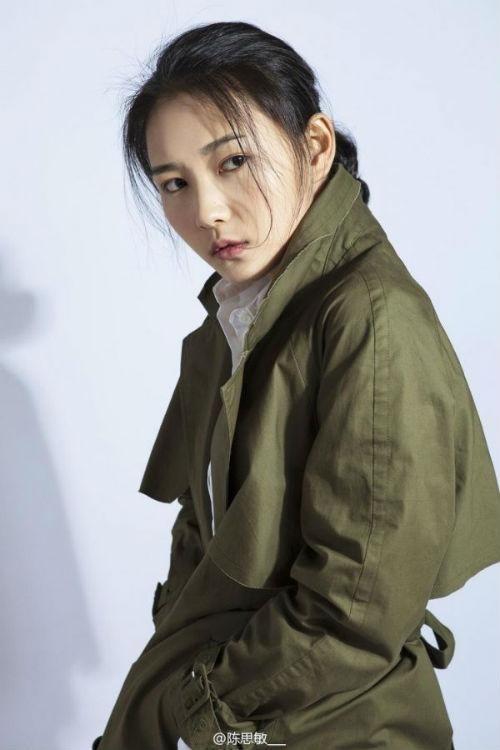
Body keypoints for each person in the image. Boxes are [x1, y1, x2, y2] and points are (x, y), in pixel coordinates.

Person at [92, 20, 500, 750]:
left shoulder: (370, 318)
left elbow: (355, 608)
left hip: (335, 726)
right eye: (175, 184)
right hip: (253, 717)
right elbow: (203, 534)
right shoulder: (237, 319)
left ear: (314, 146)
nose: (207, 211)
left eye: (234, 161)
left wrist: (196, 707)